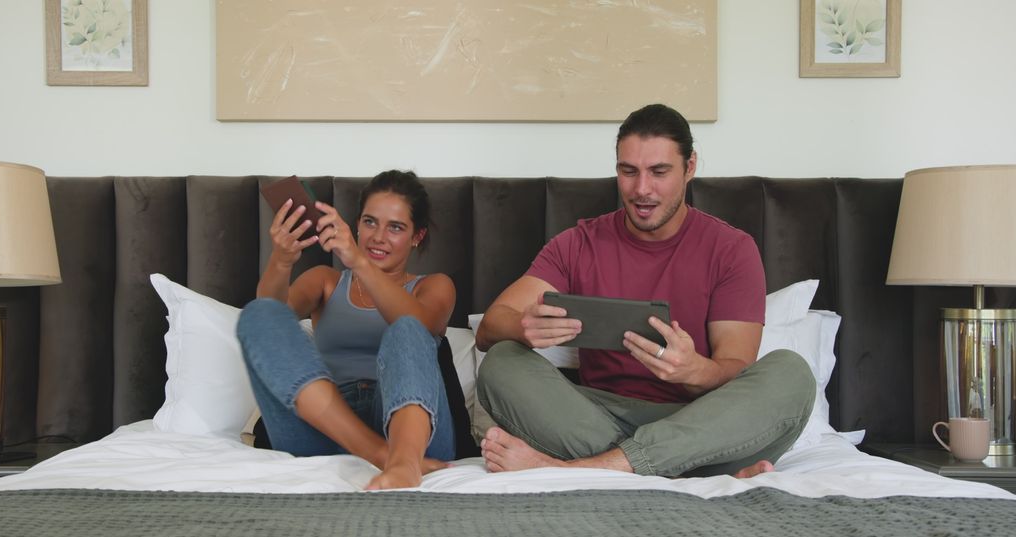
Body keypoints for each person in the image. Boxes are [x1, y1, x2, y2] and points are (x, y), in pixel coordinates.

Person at [475, 104, 815, 479]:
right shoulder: (577, 244)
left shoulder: (731, 249)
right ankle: (673, 472)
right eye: (628, 171)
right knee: (502, 361)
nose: (641, 189)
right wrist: (522, 327)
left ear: (690, 168)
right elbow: (490, 327)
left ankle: (582, 469)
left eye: (659, 172)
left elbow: (735, 367)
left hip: (699, 423)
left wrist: (694, 370)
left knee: (792, 374)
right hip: (593, 417)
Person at [237, 170, 457, 490]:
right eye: (369, 222)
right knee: (257, 314)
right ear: (356, 225)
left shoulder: (435, 286)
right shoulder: (326, 281)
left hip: (411, 432)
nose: (378, 237)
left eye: (395, 227)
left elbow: (422, 325)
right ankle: (381, 455)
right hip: (325, 428)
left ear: (417, 236)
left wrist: (358, 261)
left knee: (407, 329)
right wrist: (282, 260)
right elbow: (271, 325)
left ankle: (403, 461)